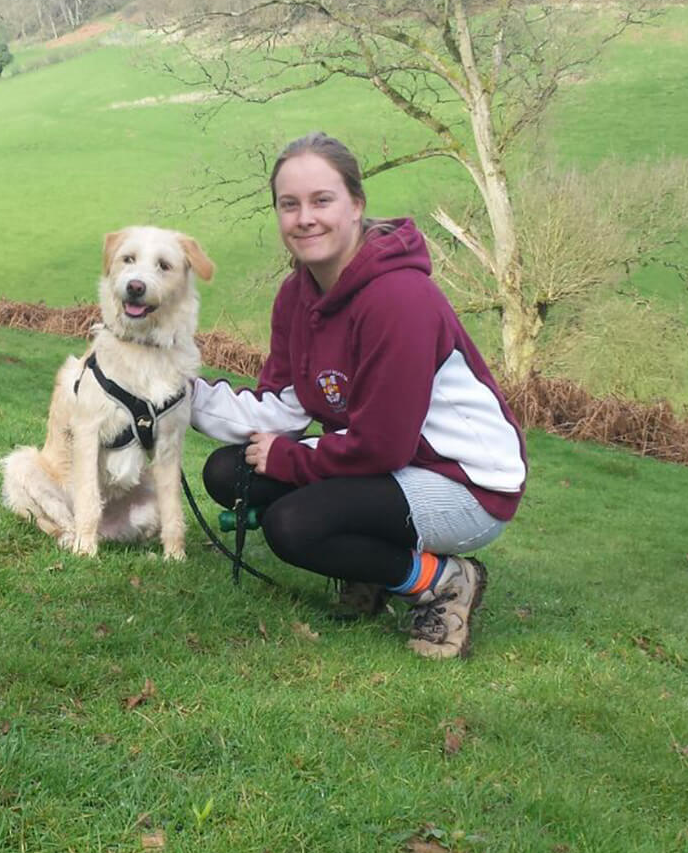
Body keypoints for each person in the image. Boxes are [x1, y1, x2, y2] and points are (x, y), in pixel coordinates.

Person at [190, 132, 527, 659]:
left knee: (293, 524)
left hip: (465, 480)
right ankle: (369, 568)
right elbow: (283, 407)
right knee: (228, 473)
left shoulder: (400, 298)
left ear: (356, 205)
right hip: (390, 463)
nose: (305, 217)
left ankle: (441, 579)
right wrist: (178, 395)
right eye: (289, 204)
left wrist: (293, 458)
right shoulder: (296, 295)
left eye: (322, 200)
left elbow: (385, 445)